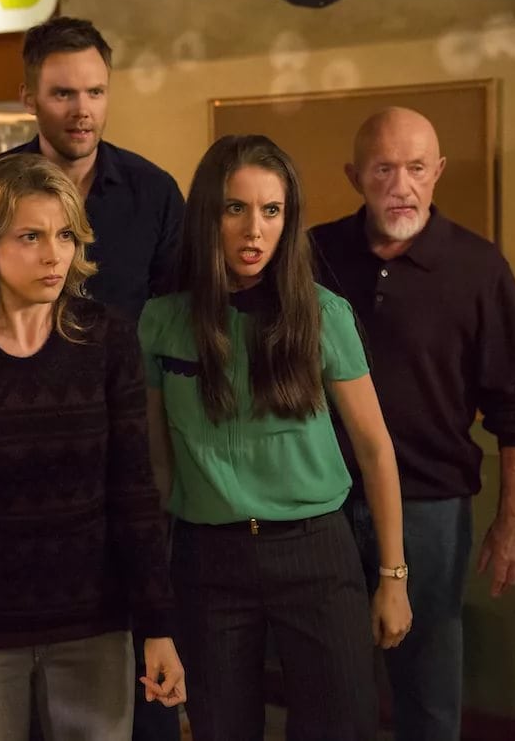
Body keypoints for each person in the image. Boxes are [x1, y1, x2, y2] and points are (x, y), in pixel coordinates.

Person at [0, 153, 186, 741]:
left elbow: (134, 491)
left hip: (93, 623)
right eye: (31, 236)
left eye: (65, 235)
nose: (54, 254)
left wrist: (158, 625)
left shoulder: (106, 338)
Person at [140, 135, 412, 741]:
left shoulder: (323, 313)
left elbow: (375, 449)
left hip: (315, 551)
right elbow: (157, 467)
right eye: (235, 208)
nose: (254, 230)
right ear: (207, 215)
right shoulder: (161, 322)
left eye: (271, 210)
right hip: (208, 559)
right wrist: (153, 599)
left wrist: (393, 577)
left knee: (341, 727)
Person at [310, 107, 515, 741]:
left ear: (438, 171)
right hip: (323, 503)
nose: (401, 186)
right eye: (383, 169)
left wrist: (514, 520)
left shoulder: (479, 268)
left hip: (431, 509)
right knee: (330, 693)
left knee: (429, 695)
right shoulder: (313, 255)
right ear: (354, 176)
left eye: (416, 168)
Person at [0, 16, 183, 324]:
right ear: (29, 99)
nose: (82, 110)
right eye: (63, 94)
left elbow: (176, 312)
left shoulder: (154, 191)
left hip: (127, 356)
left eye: (95, 92)